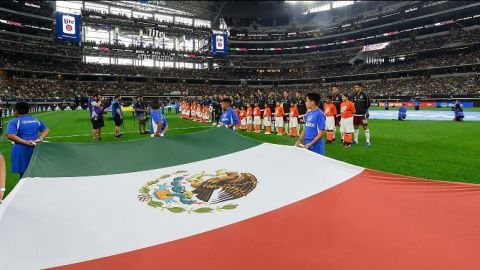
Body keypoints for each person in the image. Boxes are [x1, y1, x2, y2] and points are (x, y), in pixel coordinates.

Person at [7, 102, 49, 178]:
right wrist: (40, 138)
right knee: (35, 171)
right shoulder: (35, 120)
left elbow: (10, 135)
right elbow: (46, 130)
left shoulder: (14, 121)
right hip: (36, 148)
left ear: (16, 111)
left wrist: (25, 142)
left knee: (24, 175)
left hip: (21, 149)